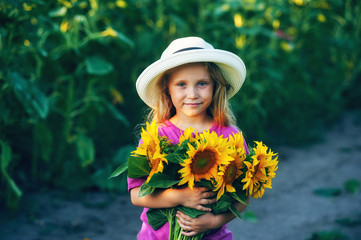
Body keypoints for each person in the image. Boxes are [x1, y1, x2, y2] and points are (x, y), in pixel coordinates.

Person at [128, 36, 249, 239]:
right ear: (167, 89)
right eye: (181, 84)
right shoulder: (156, 136)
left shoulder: (231, 136)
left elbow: (243, 195)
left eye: (202, 83)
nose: (192, 94)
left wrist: (214, 221)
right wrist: (180, 196)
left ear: (215, 86)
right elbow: (136, 194)